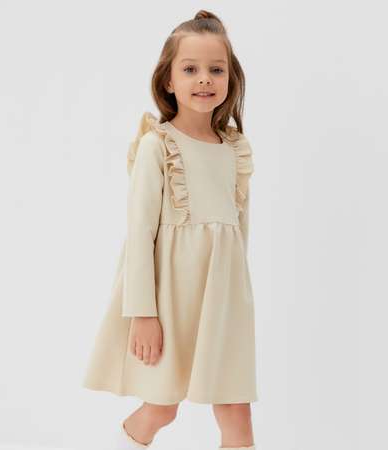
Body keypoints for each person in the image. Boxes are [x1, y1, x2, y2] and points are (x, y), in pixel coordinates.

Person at [82, 9, 258, 450]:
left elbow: (239, 234)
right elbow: (140, 235)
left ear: (231, 79)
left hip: (224, 303)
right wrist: (143, 313)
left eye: (216, 69)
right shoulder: (156, 146)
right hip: (170, 302)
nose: (205, 79)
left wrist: (238, 304)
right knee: (162, 408)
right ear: (168, 80)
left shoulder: (234, 150)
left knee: (236, 412)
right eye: (190, 69)